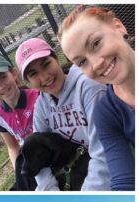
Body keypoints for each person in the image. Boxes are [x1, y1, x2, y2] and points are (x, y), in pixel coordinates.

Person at [16, 37, 110, 190]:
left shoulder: (88, 87)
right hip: (75, 167)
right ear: (28, 82)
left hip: (106, 166)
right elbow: (37, 155)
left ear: (57, 59)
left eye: (46, 64)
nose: (45, 77)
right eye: (33, 74)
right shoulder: (42, 104)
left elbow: (104, 152)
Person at [58, 5, 135, 190]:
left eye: (95, 43)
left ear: (118, 26)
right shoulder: (106, 113)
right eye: (82, 62)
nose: (97, 64)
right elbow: (124, 181)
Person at [0, 53, 41, 175]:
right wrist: (18, 172)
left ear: (13, 73)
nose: (1, 87)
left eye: (3, 77)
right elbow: (13, 147)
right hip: (29, 160)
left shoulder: (38, 96)